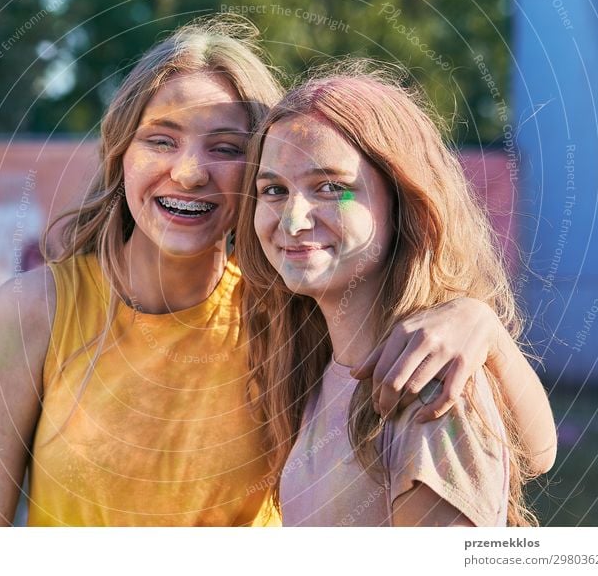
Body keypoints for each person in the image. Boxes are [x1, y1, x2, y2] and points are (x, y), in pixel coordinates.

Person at [0, 17, 554, 527]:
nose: (188, 173)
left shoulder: (292, 311)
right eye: (161, 140)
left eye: (227, 148)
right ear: (119, 155)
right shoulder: (37, 309)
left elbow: (535, 452)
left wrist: (480, 323)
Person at [237, 61, 557, 526]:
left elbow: (538, 454)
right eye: (273, 190)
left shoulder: (430, 385)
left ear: (404, 202)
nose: (292, 220)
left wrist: (484, 325)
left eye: (330, 187)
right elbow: (539, 453)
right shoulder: (316, 367)